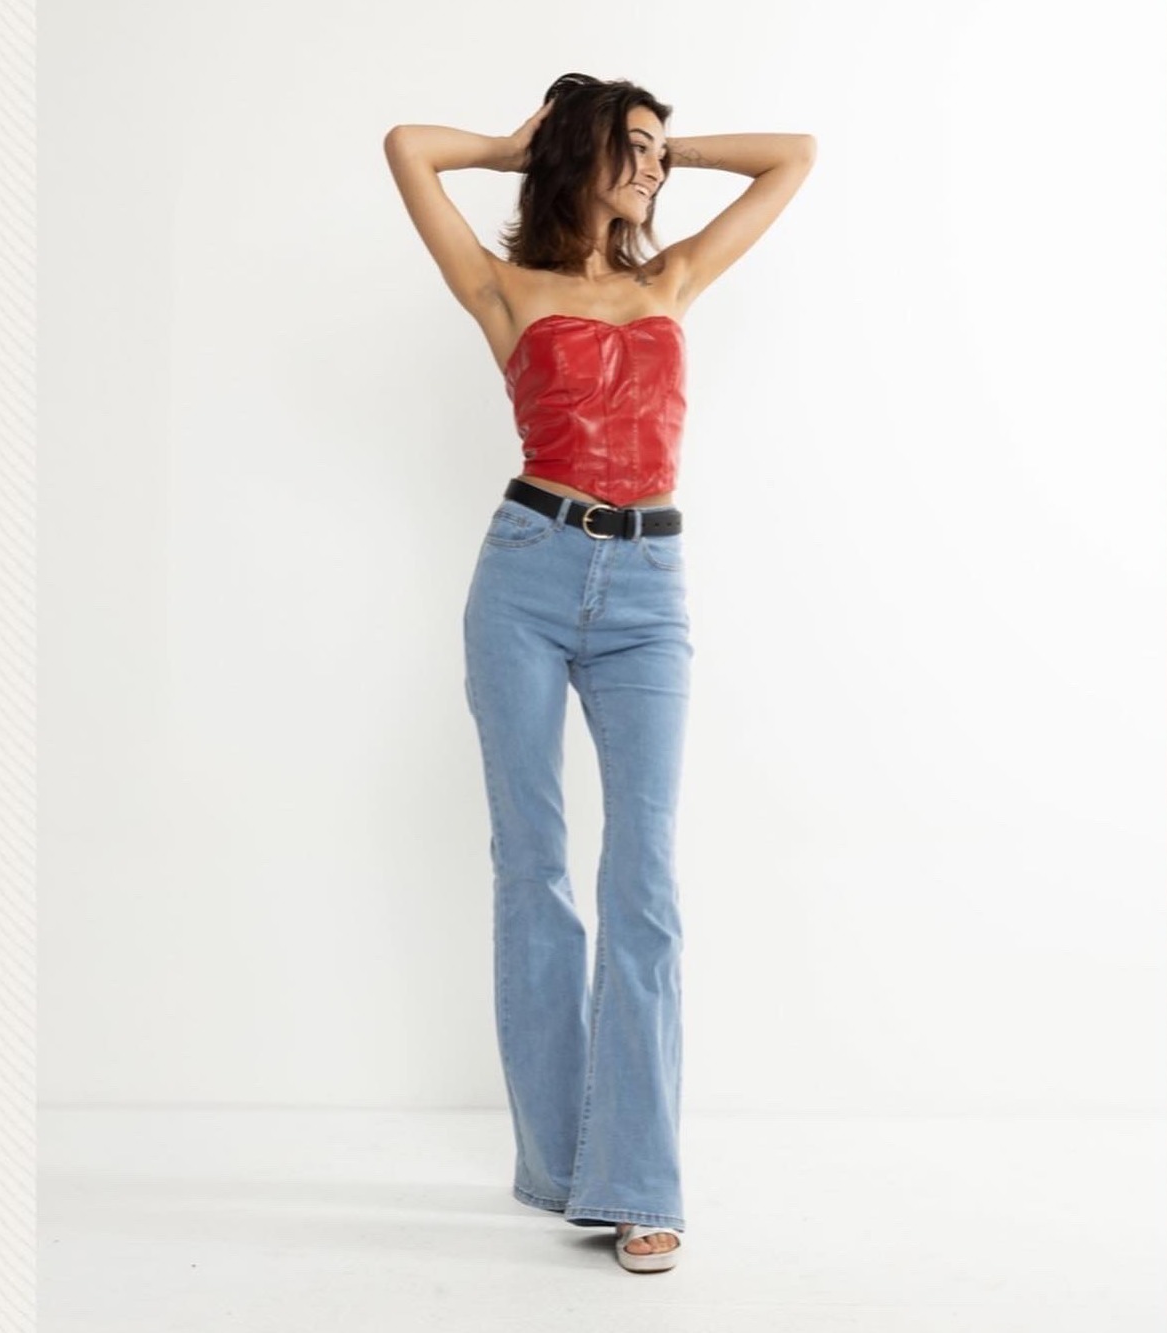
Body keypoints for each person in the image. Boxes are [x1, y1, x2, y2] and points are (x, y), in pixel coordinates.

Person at [383, 73, 815, 1273]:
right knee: (533, 872)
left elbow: (794, 153)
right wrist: (515, 147)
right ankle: (566, 1164)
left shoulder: (670, 277)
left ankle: (639, 1182)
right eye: (633, 148)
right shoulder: (504, 289)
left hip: (647, 594)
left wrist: (665, 147)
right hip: (525, 573)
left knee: (644, 884)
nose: (656, 169)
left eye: (660, 154)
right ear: (580, 153)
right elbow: (407, 146)